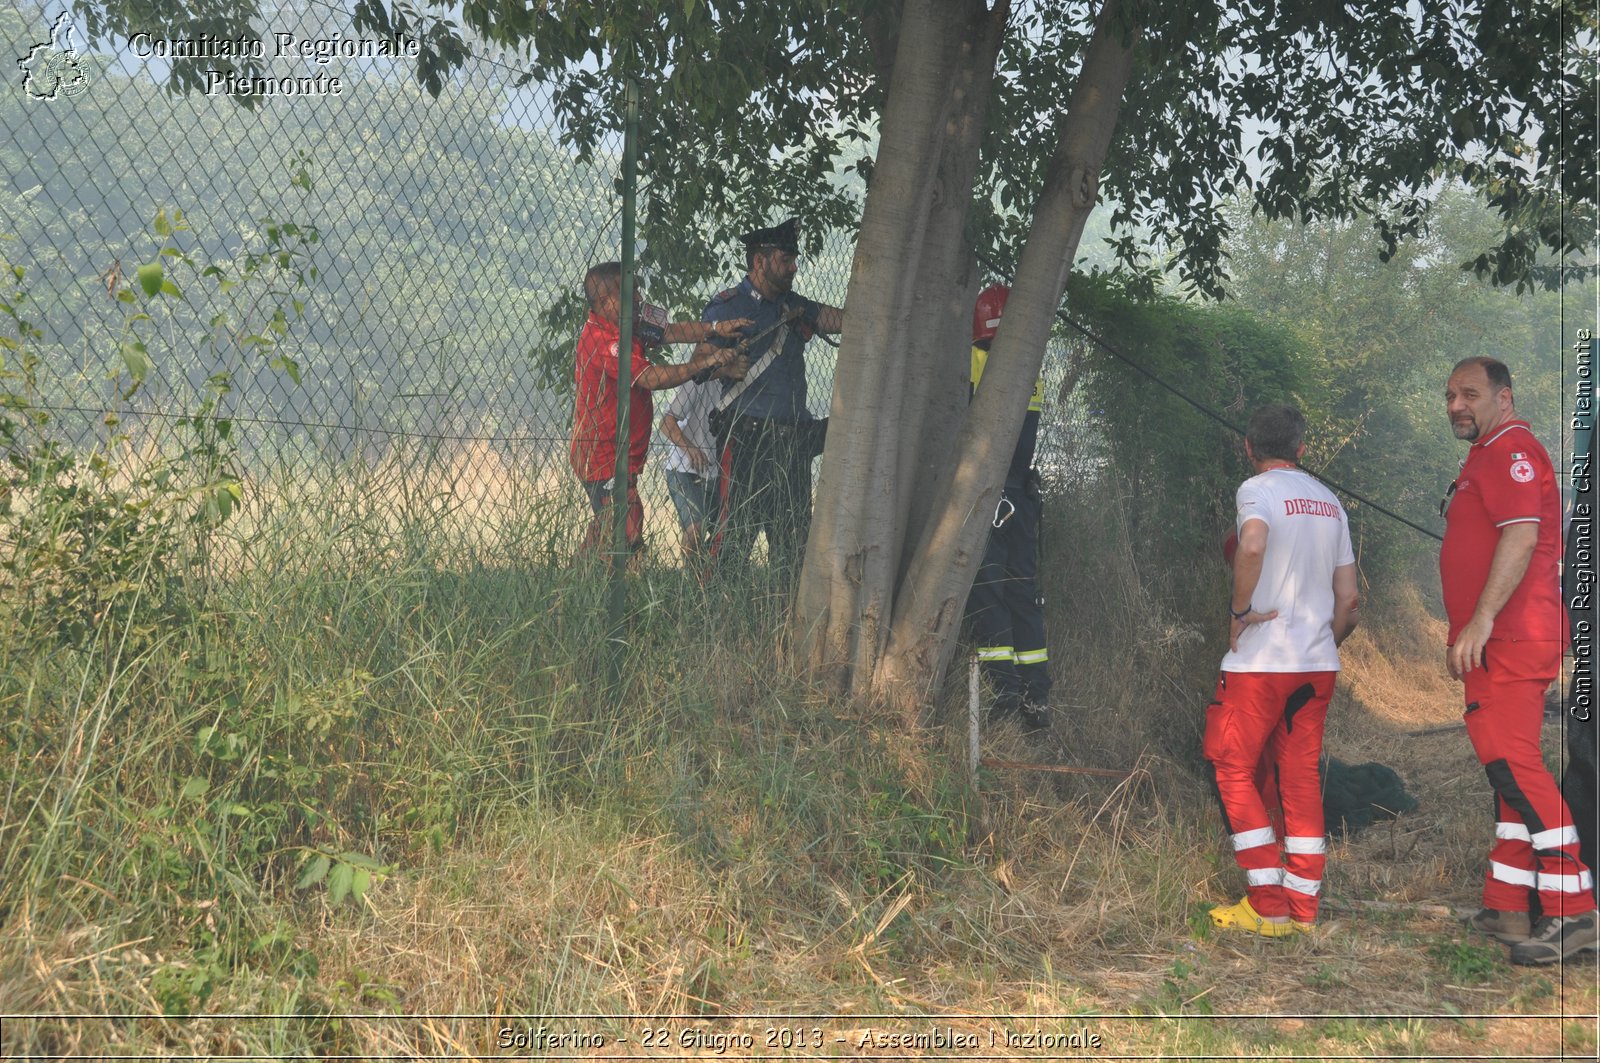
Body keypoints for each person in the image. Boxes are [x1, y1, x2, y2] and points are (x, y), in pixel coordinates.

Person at [1441, 356, 1596, 965]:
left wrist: (1479, 619)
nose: (1457, 404)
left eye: (1470, 393)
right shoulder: (1487, 453)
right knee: (1508, 773)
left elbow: (1523, 534)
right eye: (1450, 394)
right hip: (1497, 641)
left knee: (1513, 765)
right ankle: (1507, 905)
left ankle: (1573, 912)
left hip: (1511, 636)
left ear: (1504, 397)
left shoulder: (1511, 450)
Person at [1204, 404, 1359, 937]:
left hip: (1260, 666)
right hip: (1317, 668)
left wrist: (1239, 613)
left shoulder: (1257, 491)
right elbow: (1350, 599)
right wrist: (1322, 643)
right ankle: (1302, 908)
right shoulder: (1331, 502)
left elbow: (1251, 544)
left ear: (1249, 447)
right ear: (1302, 448)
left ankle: (1267, 904)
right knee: (1298, 777)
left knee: (1232, 766)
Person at [569, 262, 749, 557]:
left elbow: (670, 331)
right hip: (601, 454)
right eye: (629, 293)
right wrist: (704, 364)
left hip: (619, 453)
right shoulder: (605, 343)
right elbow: (650, 378)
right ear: (605, 302)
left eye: (637, 290)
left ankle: (583, 579)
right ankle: (610, 583)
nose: (639, 298)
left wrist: (715, 328)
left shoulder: (628, 320)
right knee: (626, 528)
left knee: (610, 524)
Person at [702, 218, 843, 578]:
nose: (794, 266)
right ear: (760, 262)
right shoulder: (726, 308)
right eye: (785, 259)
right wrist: (724, 367)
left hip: (792, 440)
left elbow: (838, 320)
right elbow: (698, 366)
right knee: (733, 540)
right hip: (745, 438)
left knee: (793, 545)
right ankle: (713, 618)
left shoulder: (795, 305)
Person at [965, 283, 1053, 730]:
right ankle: (1036, 697)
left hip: (990, 496)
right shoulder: (1027, 370)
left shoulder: (975, 363)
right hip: (1022, 496)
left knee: (986, 592)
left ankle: (1003, 692)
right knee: (1023, 592)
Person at [658, 377, 722, 565]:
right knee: (695, 531)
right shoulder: (699, 381)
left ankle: (710, 574)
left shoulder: (737, 385)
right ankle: (691, 582)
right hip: (684, 467)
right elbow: (665, 423)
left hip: (716, 471)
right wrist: (691, 449)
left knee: (728, 531)